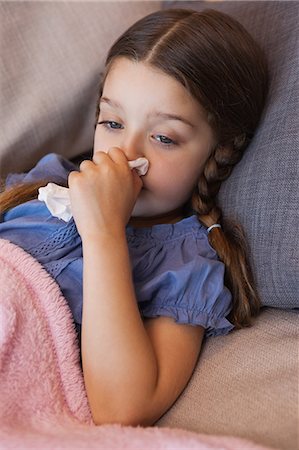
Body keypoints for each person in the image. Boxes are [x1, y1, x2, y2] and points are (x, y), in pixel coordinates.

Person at [0, 8, 268, 427]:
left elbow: (122, 408)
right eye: (112, 122)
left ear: (219, 152)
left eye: (164, 137)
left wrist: (104, 232)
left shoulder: (186, 268)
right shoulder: (49, 179)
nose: (126, 154)